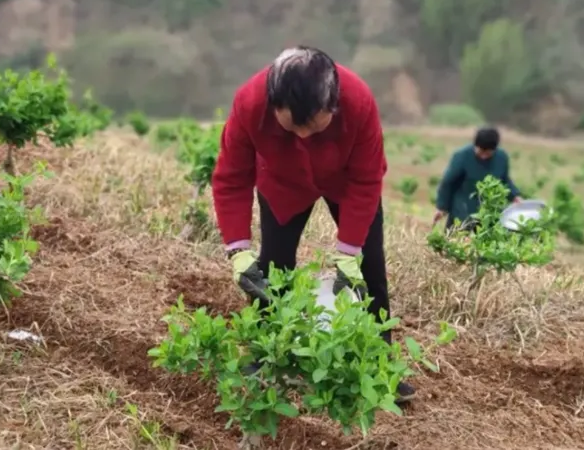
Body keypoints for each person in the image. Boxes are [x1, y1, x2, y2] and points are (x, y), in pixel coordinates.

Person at [211, 46, 415, 403]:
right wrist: (237, 250)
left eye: (313, 126)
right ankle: (270, 356)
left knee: (369, 270)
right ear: (273, 105)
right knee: (273, 269)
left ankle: (380, 365)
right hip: (282, 184)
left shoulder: (359, 101)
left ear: (333, 104)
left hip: (346, 184)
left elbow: (367, 180)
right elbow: (231, 178)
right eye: (291, 127)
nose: (303, 137)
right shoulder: (249, 103)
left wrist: (349, 251)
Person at [433, 126, 521, 230]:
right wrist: (442, 207)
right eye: (480, 152)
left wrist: (515, 196)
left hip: (489, 211)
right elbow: (448, 182)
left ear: (494, 149)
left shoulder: (501, 158)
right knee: (457, 239)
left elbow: (504, 180)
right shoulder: (462, 156)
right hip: (462, 207)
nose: (483, 156)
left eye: (487, 153)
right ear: (475, 145)